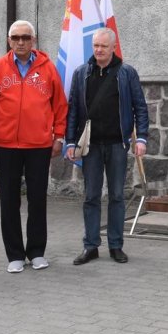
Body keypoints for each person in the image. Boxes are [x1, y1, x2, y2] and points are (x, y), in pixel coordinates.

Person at [0, 20, 68, 273]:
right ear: (9, 40)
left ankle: (37, 252)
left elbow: (60, 106)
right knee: (9, 201)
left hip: (39, 145)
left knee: (38, 199)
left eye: (25, 38)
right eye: (16, 37)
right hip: (6, 145)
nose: (21, 42)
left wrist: (59, 136)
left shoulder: (48, 69)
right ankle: (15, 254)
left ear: (34, 40)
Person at [65, 28, 149, 265]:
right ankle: (90, 246)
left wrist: (141, 138)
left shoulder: (127, 74)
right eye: (95, 46)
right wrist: (70, 141)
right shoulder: (81, 73)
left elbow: (139, 107)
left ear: (113, 47)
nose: (99, 50)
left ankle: (115, 245)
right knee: (91, 196)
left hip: (117, 145)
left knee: (116, 196)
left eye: (103, 46)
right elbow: (72, 110)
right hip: (90, 146)